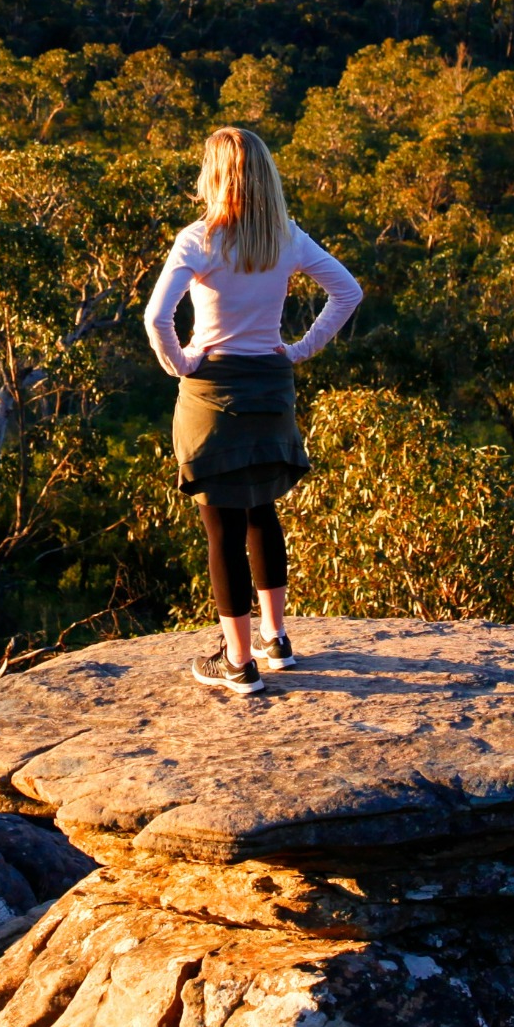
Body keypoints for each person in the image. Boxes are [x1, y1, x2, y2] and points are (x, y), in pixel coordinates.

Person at [142, 126, 361, 696]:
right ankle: (275, 639)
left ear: (214, 175)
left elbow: (155, 318)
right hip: (272, 386)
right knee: (262, 509)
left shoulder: (199, 239)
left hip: (214, 392)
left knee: (222, 525)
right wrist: (298, 350)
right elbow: (347, 291)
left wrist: (181, 364)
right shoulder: (284, 236)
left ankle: (237, 664)